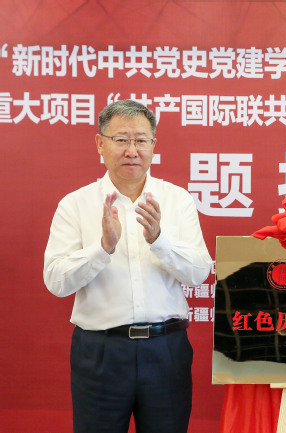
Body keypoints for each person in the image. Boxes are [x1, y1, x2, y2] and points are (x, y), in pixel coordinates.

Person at [44, 99, 213, 433]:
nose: (132, 150)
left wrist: (159, 240)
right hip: (101, 353)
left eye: (141, 140)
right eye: (121, 139)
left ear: (153, 145)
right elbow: (56, 281)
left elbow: (199, 273)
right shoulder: (75, 204)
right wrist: (102, 248)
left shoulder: (177, 200)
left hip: (166, 350)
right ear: (100, 143)